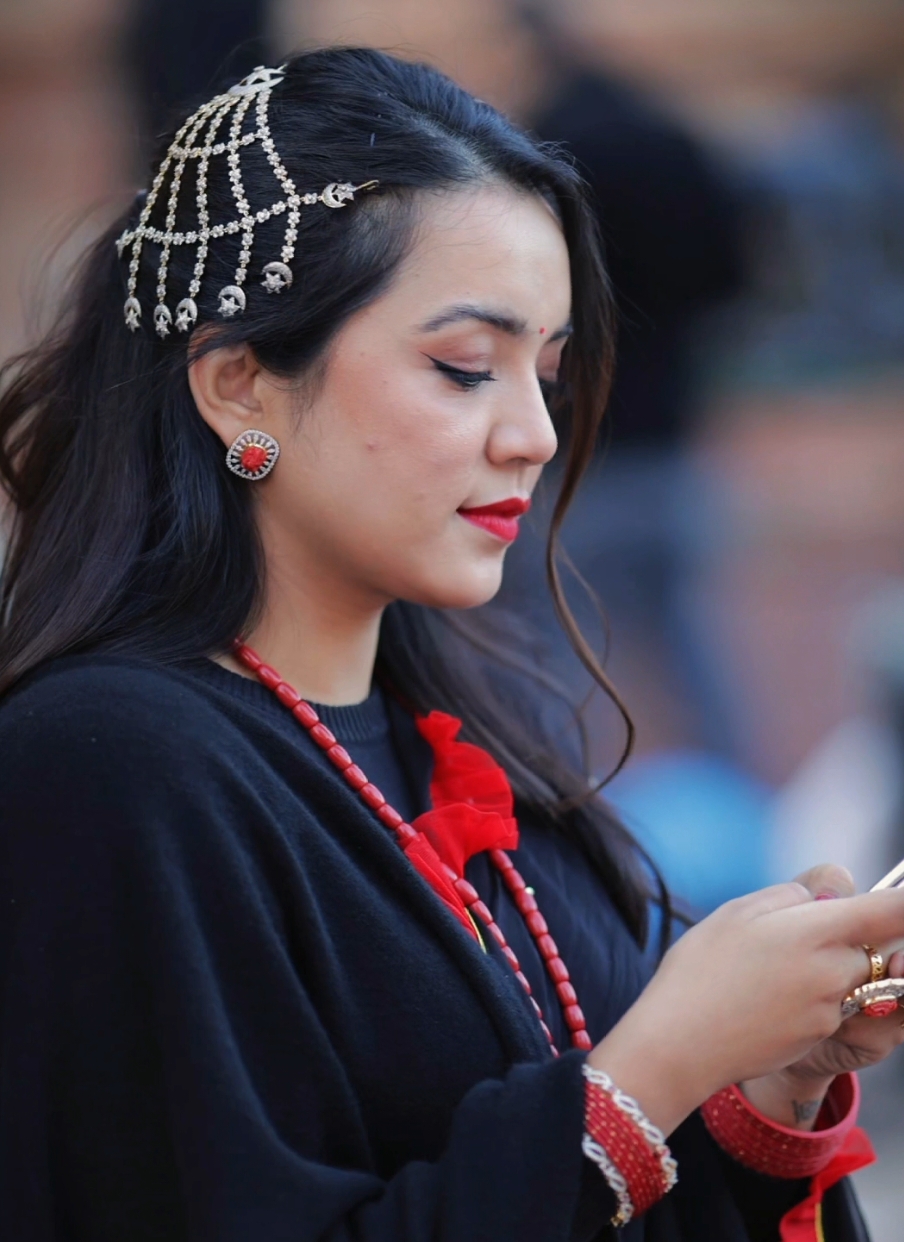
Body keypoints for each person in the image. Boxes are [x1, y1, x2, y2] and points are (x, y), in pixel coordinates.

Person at [0, 47, 902, 1242]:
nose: (532, 433)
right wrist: (657, 1062)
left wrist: (765, 1078)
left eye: (549, 372)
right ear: (238, 386)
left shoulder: (483, 745)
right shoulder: (103, 766)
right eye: (463, 368)